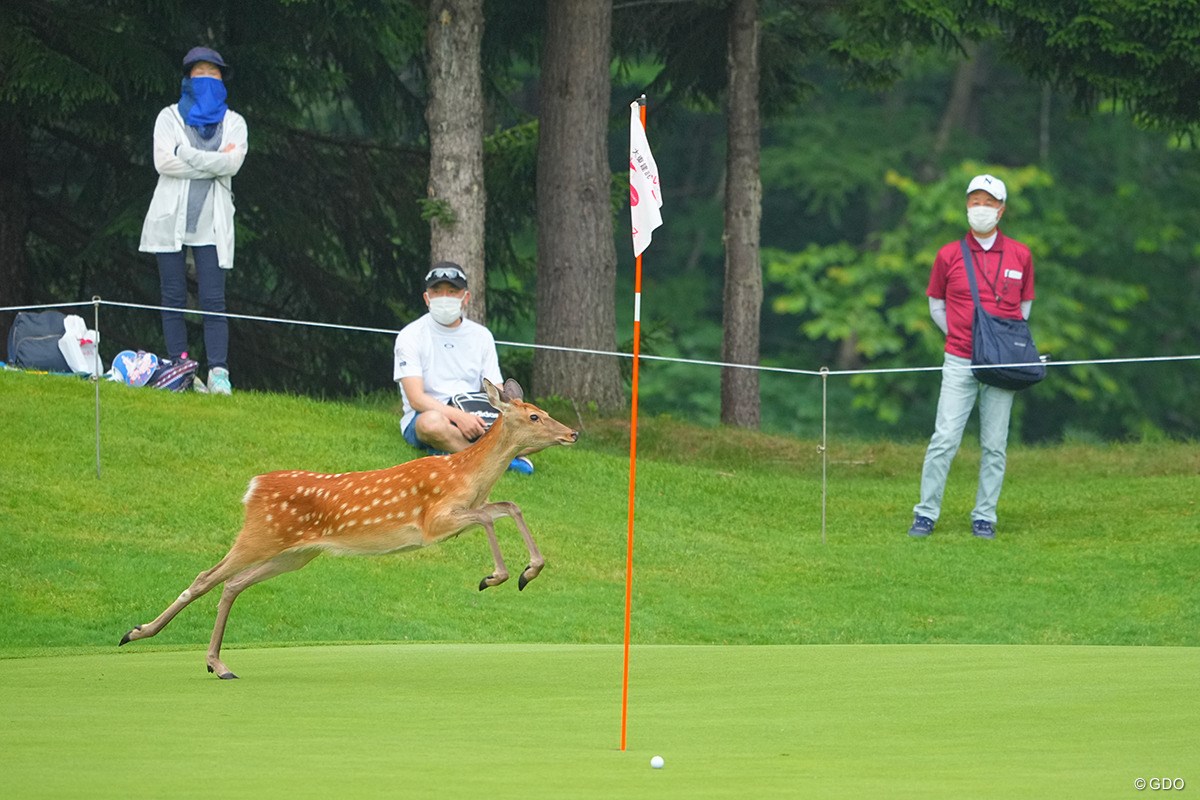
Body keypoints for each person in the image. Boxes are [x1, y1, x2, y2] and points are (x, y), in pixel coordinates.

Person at [908, 174, 1036, 540]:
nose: (980, 209)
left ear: (1001, 210)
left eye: (988, 203)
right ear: (967, 206)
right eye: (974, 202)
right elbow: (936, 304)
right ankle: (926, 513)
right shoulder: (948, 254)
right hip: (959, 358)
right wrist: (961, 335)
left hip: (1002, 363)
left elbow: (1024, 307)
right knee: (944, 438)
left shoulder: (1020, 254)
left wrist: (998, 343)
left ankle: (985, 516)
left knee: (995, 444)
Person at [139, 46, 248, 395]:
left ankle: (218, 372)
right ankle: (180, 366)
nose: (206, 79)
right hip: (169, 220)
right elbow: (163, 163)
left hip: (211, 225)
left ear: (223, 80)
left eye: (213, 74)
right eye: (200, 73)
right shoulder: (168, 117)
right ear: (187, 78)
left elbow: (232, 165)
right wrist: (213, 161)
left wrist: (185, 153)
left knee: (213, 300)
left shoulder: (234, 122)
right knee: (172, 296)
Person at [393, 262, 534, 474]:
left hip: (475, 413)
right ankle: (498, 461)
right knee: (431, 424)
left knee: (536, 427)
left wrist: (510, 411)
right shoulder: (410, 335)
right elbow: (416, 399)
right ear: (426, 298)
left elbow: (495, 387)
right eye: (437, 292)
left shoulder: (481, 335)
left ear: (465, 298)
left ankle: (449, 451)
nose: (444, 297)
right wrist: (458, 417)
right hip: (429, 415)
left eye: (452, 292)